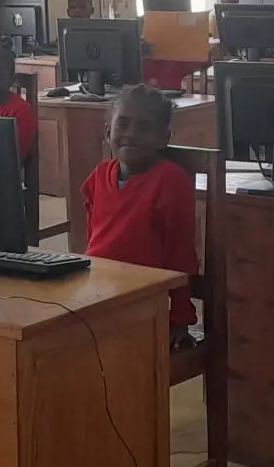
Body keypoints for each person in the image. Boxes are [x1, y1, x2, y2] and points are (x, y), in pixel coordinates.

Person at [81, 84, 199, 350]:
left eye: (145, 128)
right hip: (97, 294)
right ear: (108, 131)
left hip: (143, 300)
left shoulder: (170, 181)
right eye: (123, 124)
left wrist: (180, 317)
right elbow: (93, 240)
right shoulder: (99, 176)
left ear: (164, 138)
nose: (131, 135)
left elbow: (180, 252)